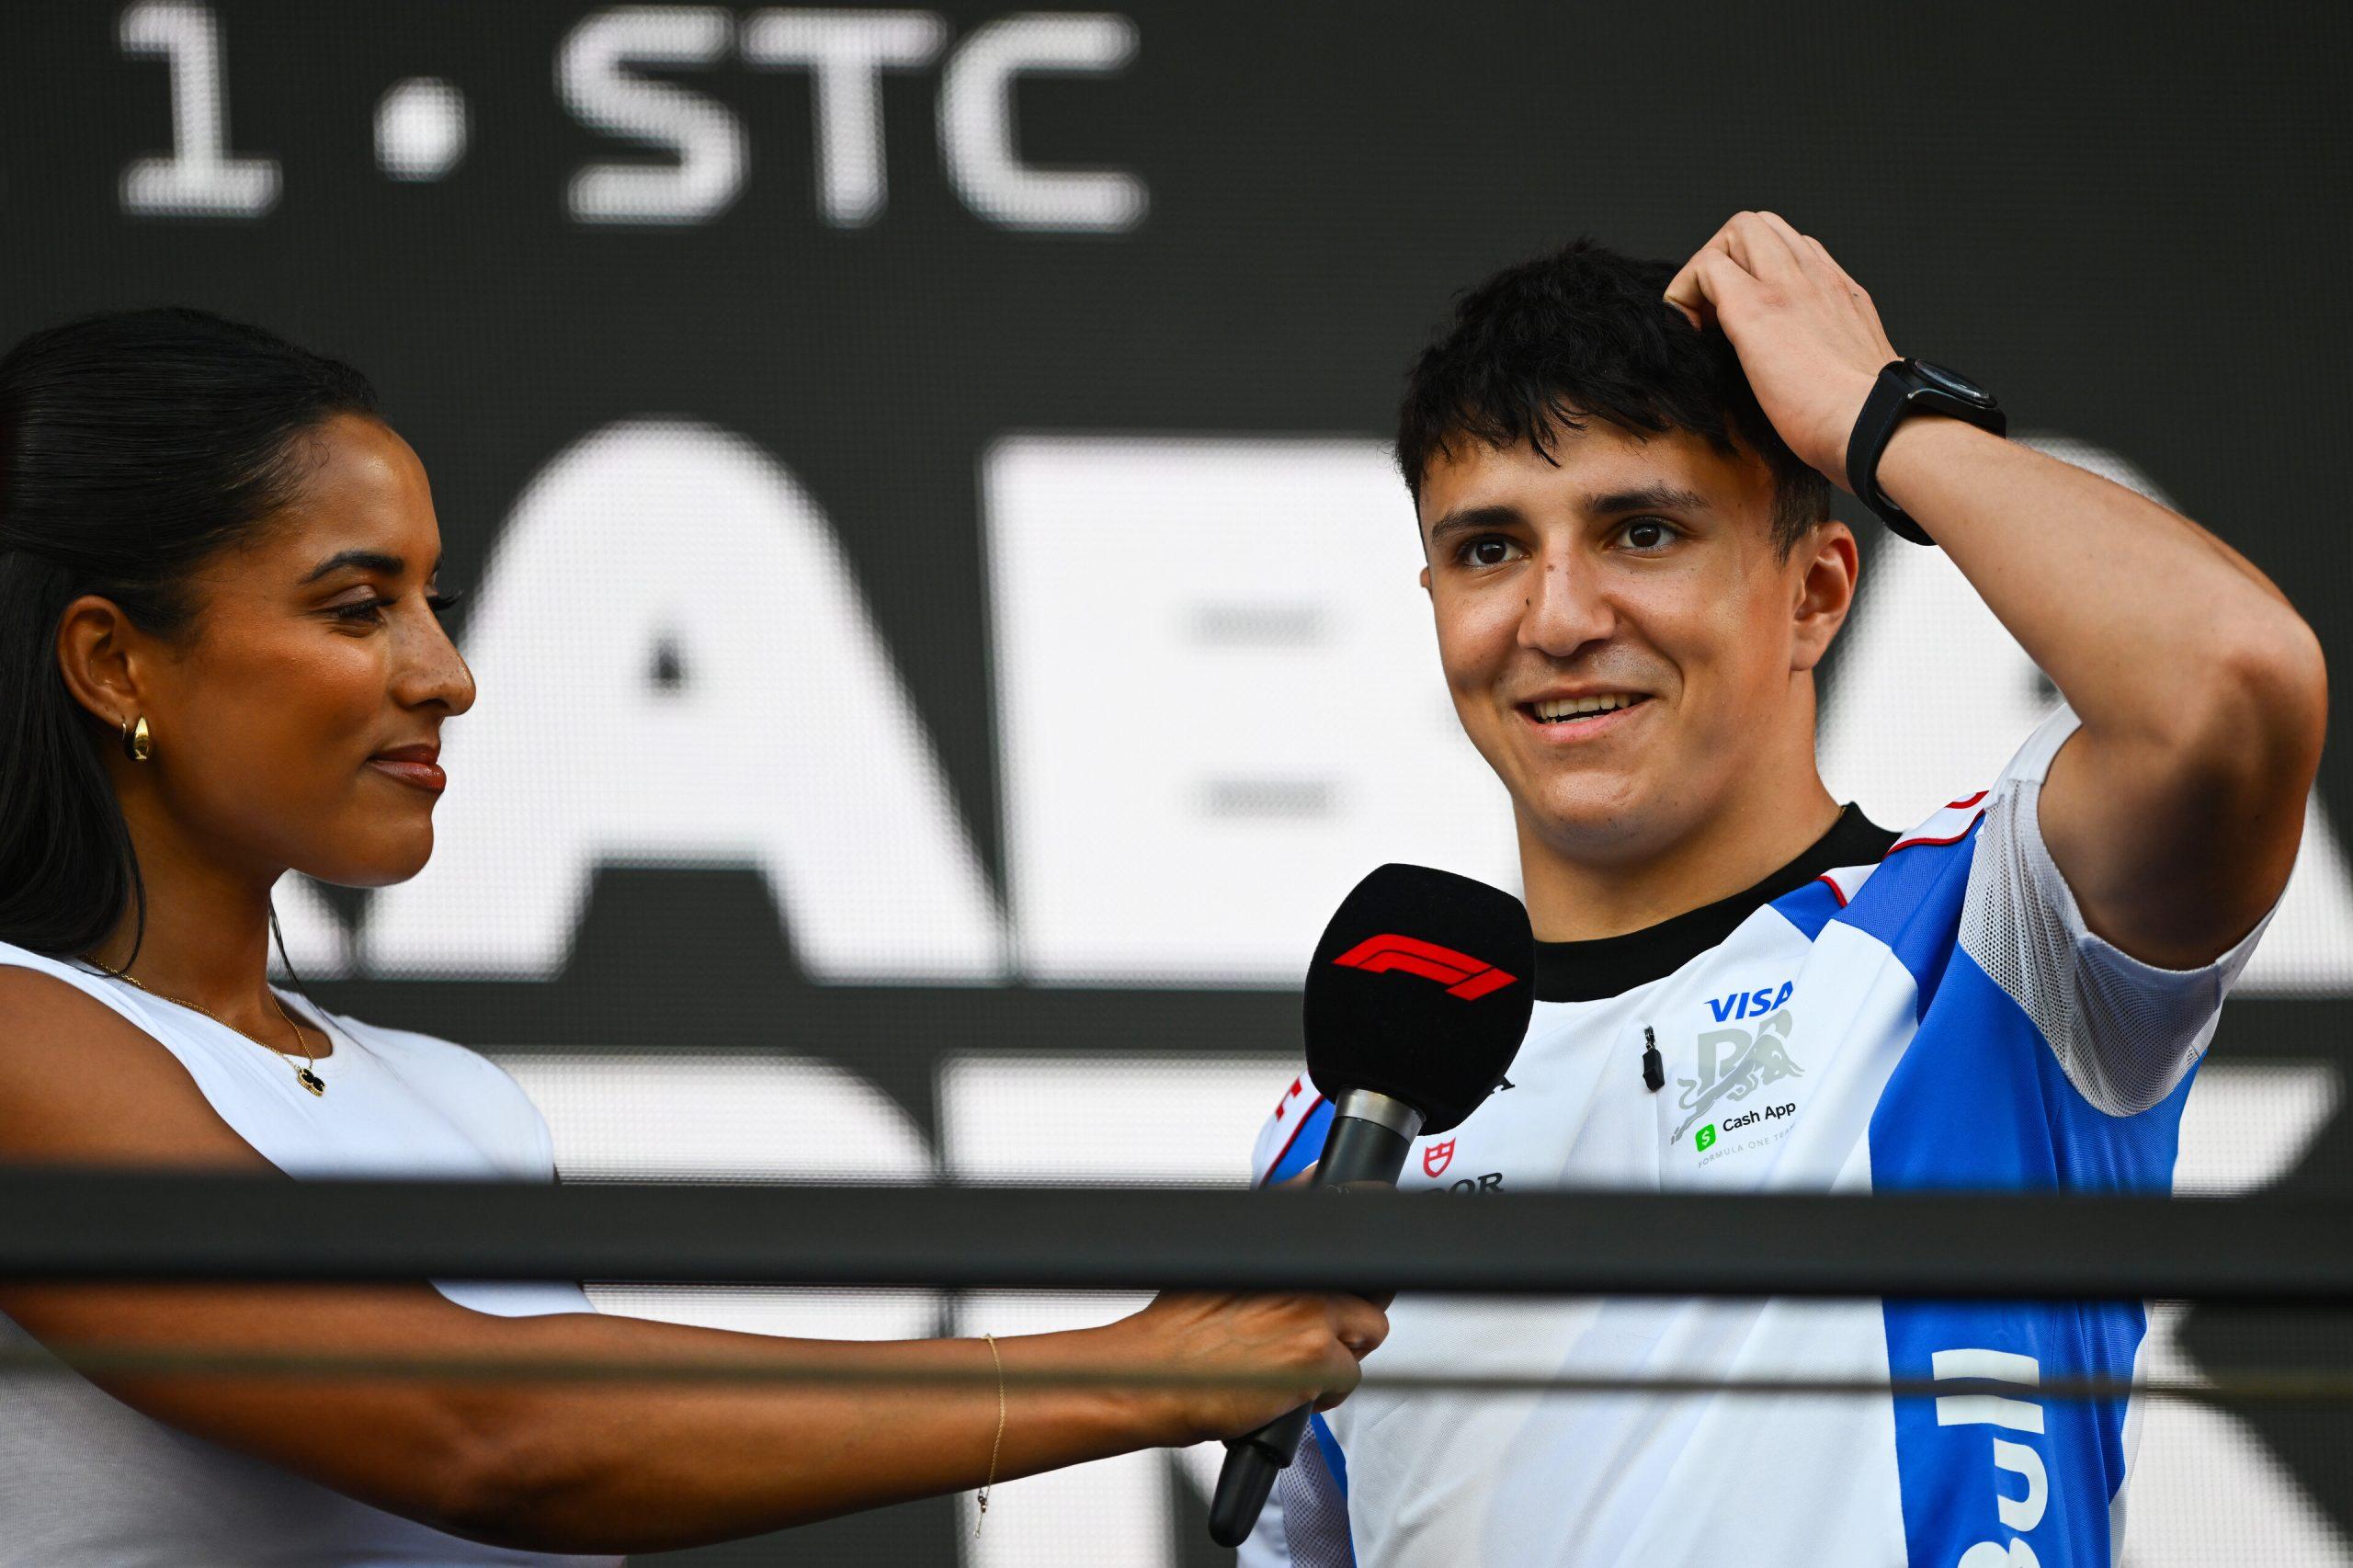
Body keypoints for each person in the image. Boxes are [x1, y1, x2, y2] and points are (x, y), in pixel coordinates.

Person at [0, 307, 1388, 1567]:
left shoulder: (462, 1099)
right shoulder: (15, 1029)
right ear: (113, 662)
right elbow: (494, 1438)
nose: (448, 675)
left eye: (436, 603)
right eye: (359, 607)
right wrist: (1139, 1371)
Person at [1239, 217, 2326, 1567]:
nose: (1557, 618)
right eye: (1489, 550)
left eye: (1642, 531)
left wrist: (1881, 416)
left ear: (1814, 593)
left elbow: (2235, 684)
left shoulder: (1988, 931)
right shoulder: (1344, 1131)